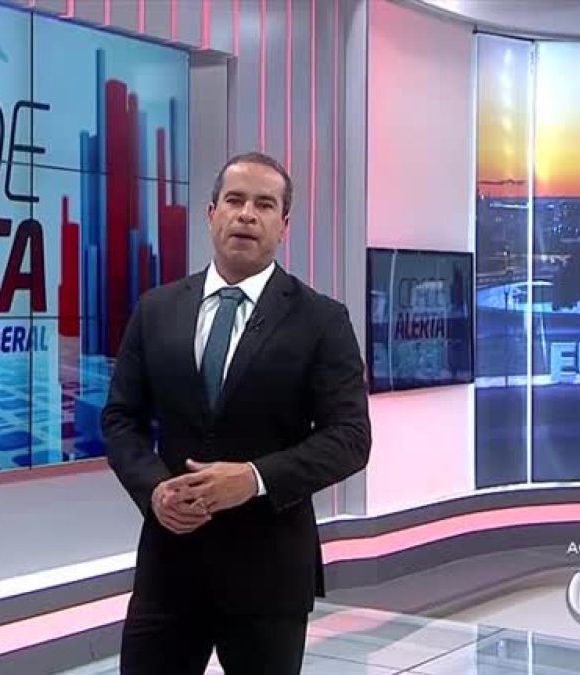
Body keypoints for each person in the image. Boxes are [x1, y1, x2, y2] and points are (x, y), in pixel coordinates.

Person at [101, 152, 372, 674]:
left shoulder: (321, 320)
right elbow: (119, 419)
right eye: (235, 200)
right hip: (169, 569)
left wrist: (253, 479)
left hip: (268, 576)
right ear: (212, 214)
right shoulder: (157, 309)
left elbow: (350, 437)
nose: (247, 214)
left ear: (284, 225)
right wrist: (154, 490)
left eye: (264, 205)